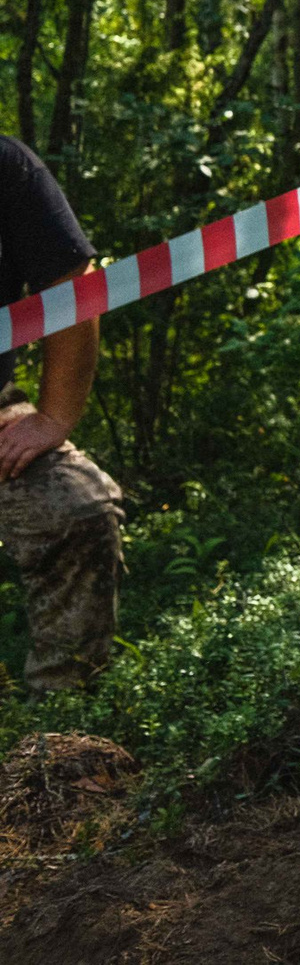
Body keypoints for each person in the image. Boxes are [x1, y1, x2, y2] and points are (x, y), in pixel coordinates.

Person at [0, 137, 121, 698]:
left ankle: (60, 729)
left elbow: (70, 284)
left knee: (78, 508)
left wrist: (53, 417)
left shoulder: (6, 167)